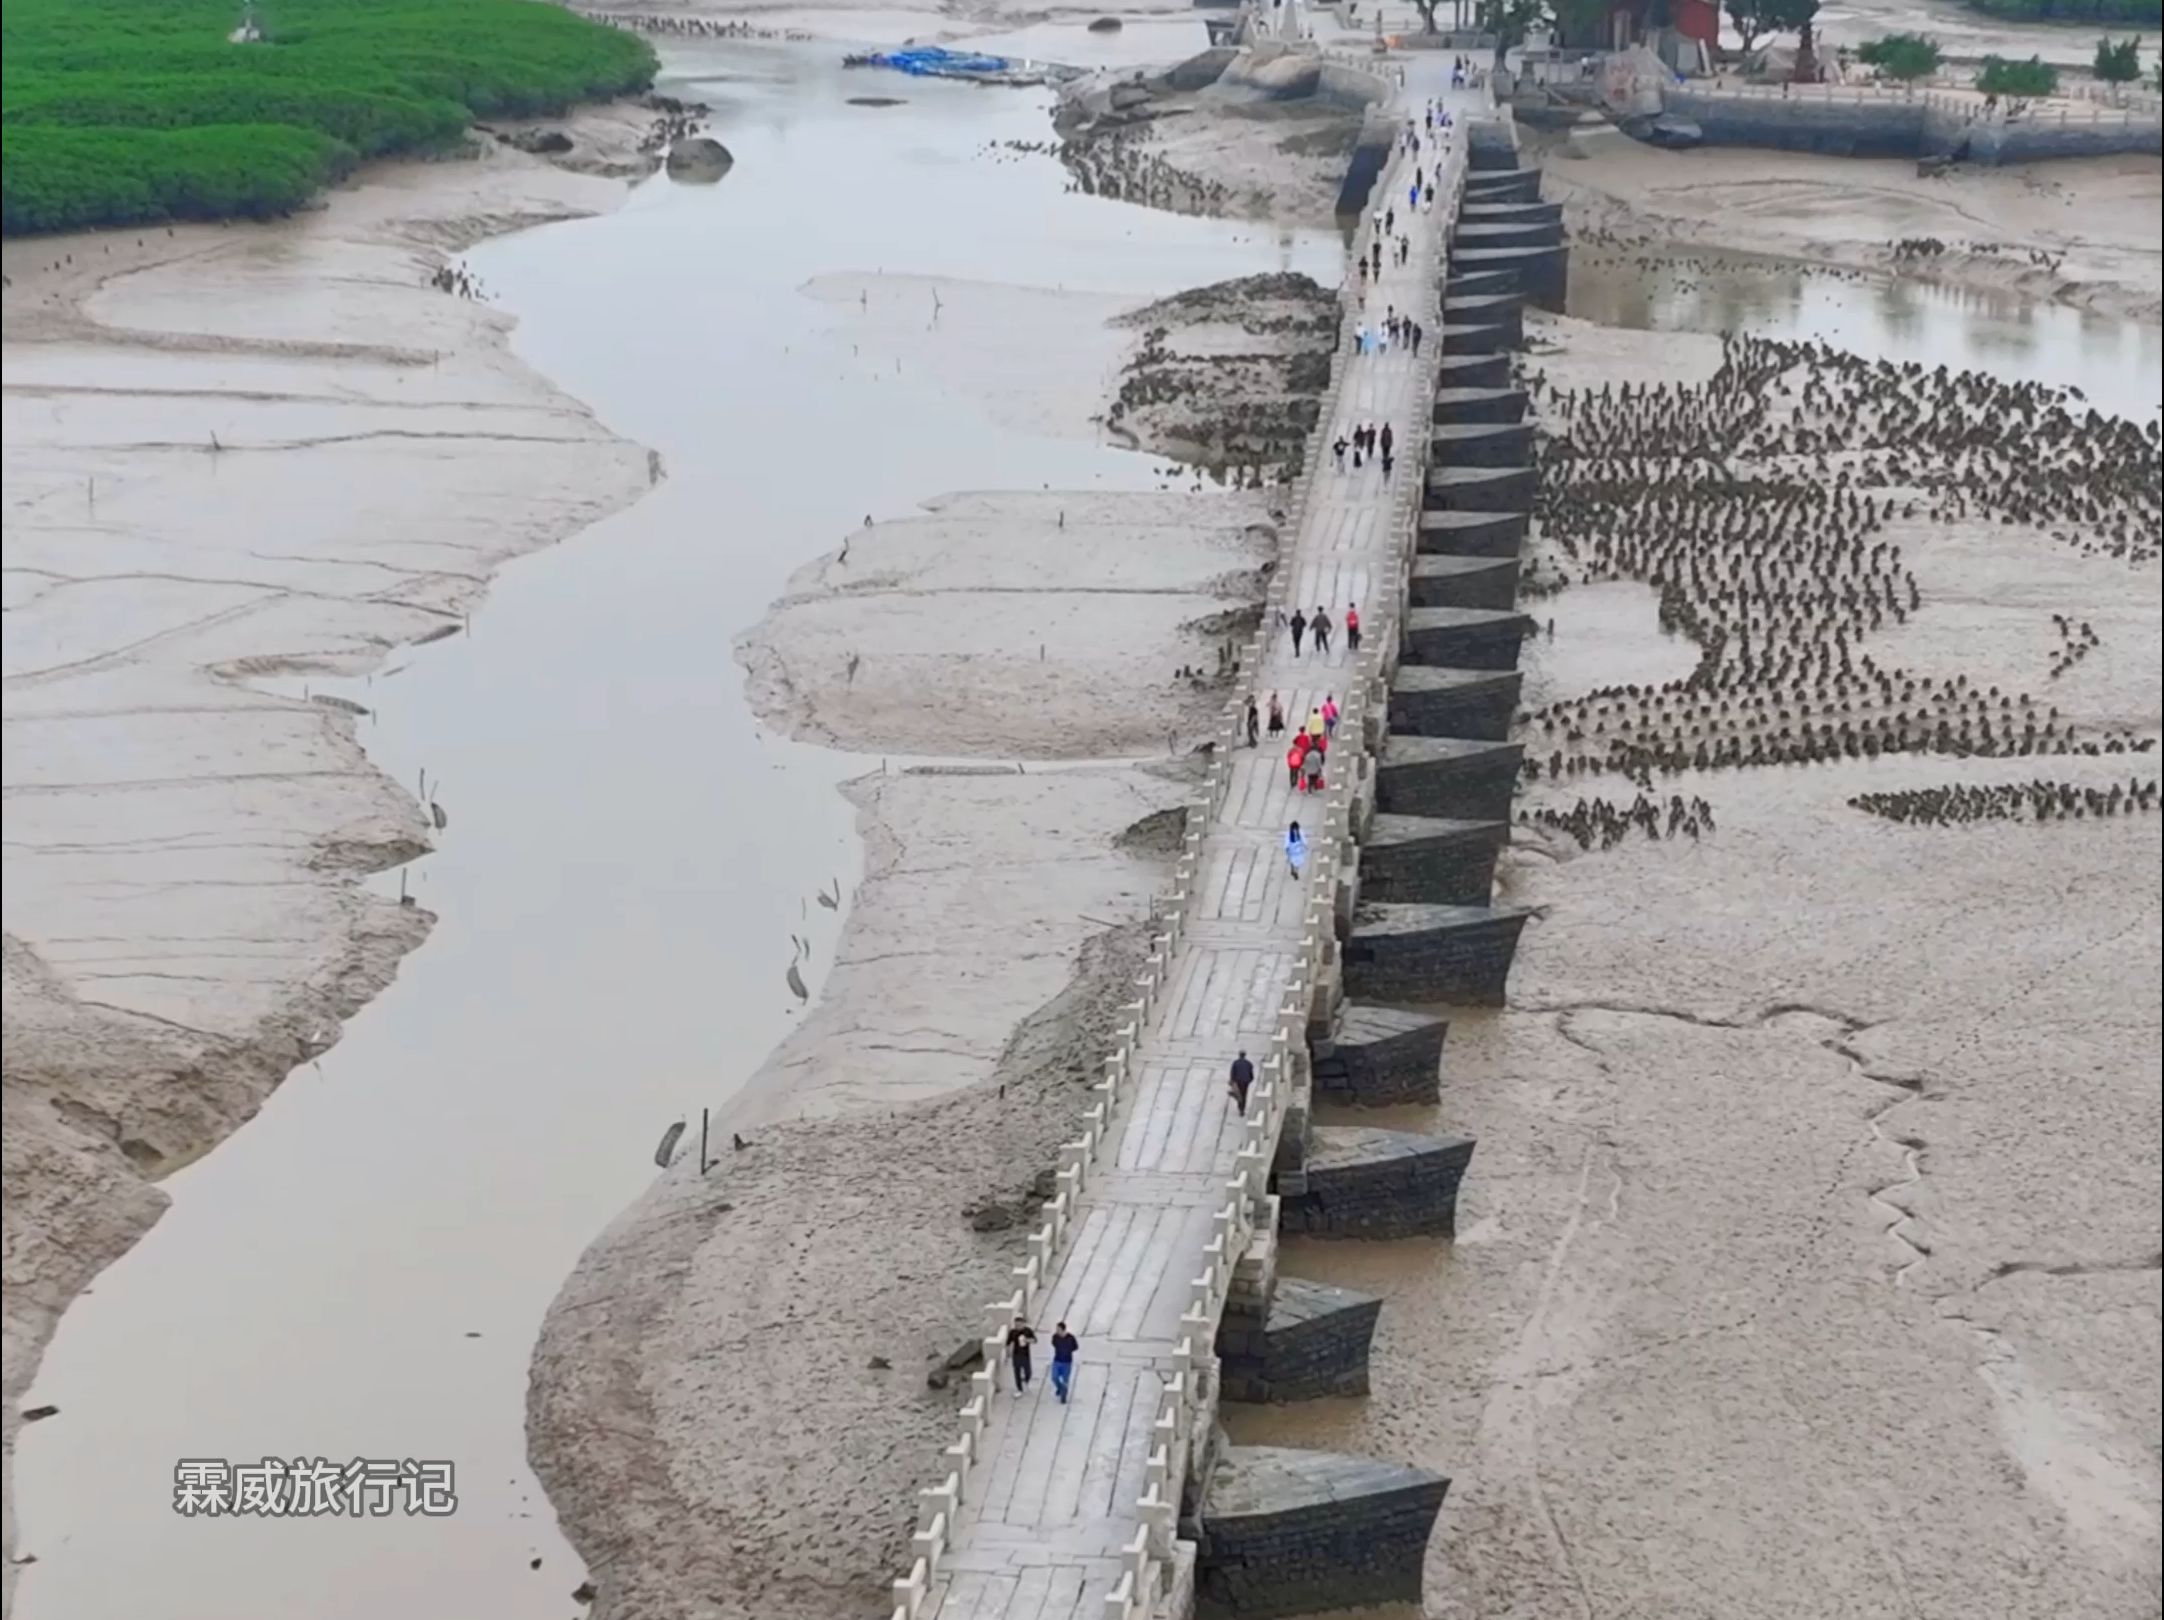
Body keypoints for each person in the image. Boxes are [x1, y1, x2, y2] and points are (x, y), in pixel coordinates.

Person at [1050, 1322, 1080, 1403]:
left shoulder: (1070, 1338)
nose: (1057, 1331)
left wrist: (1067, 1351)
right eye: (1056, 1329)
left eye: (1058, 1330)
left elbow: (1075, 1347)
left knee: (1065, 1380)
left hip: (1067, 1362)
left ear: (1063, 1330)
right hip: (1057, 1360)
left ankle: (1063, 1396)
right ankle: (1059, 1388)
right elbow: (1053, 1343)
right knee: (1054, 1377)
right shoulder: (1055, 1337)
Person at [1006, 1318, 1037, 1393]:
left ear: (1023, 1324)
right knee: (1017, 1372)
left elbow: (1035, 1340)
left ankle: (1025, 1380)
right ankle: (1019, 1388)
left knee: (1028, 1372)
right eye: (1016, 1325)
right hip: (1016, 1354)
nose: (1017, 1326)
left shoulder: (1028, 1331)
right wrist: (1008, 1352)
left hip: (1025, 1354)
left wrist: (1026, 1340)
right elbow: (1008, 1343)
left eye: (1019, 1325)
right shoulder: (1012, 1332)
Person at [1229, 1050, 1255, 1116]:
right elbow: (1251, 1073)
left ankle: (1240, 1107)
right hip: (1246, 1081)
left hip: (1238, 1081)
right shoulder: (1248, 1063)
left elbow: (1232, 1072)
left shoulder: (1235, 1063)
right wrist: (1250, 1080)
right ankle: (1242, 1109)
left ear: (1239, 1055)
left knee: (1239, 1094)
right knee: (1244, 1094)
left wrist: (1232, 1080)